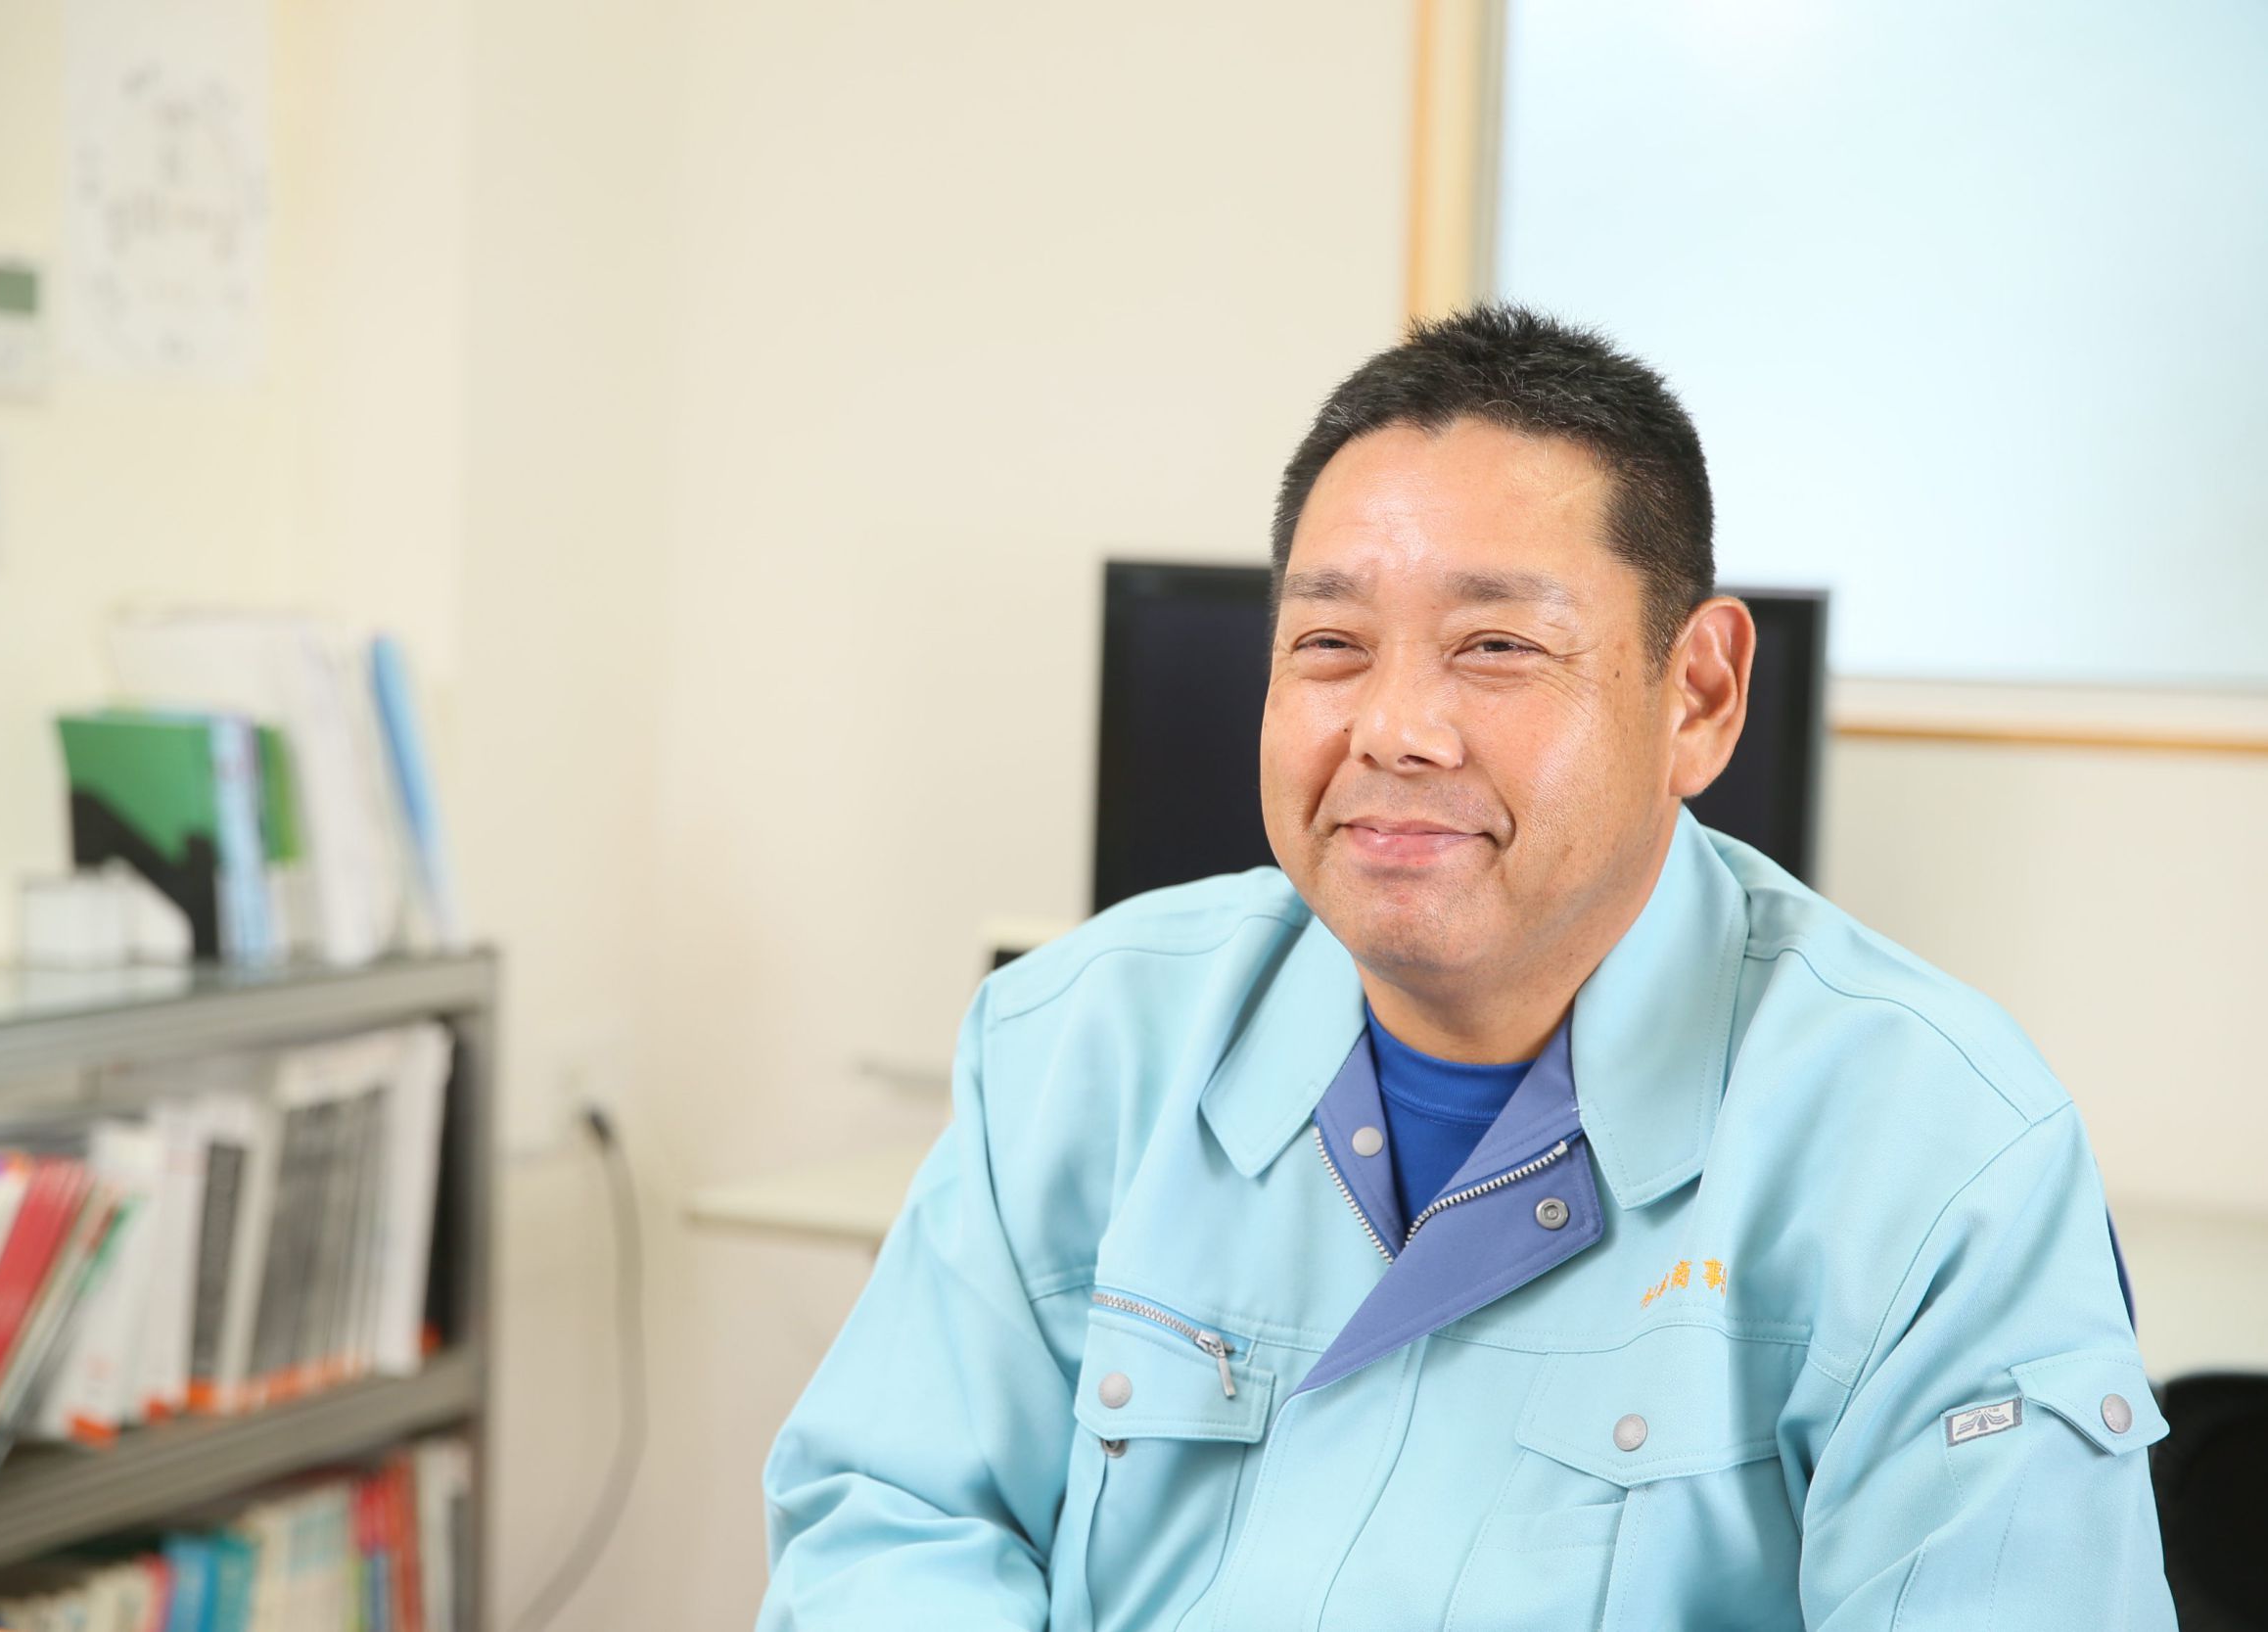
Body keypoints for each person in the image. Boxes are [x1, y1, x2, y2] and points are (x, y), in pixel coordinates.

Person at [757, 304, 2174, 1629]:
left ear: (1699, 694)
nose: (1393, 729)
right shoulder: (1080, 1040)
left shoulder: (1938, 1156)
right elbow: (894, 1518)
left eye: (1496, 646)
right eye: (1331, 644)